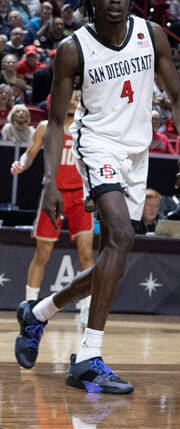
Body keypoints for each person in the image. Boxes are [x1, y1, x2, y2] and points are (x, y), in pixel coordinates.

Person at [14, 0, 180, 393]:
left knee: (111, 259)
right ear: (90, 2)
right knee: (121, 238)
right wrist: (49, 183)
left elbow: (176, 93)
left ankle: (37, 314)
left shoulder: (150, 35)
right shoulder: (72, 49)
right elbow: (57, 122)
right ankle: (88, 357)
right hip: (97, 145)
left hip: (138, 152)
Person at [10, 91, 93, 325]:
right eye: (69, 97)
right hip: (53, 194)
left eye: (77, 98)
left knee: (86, 254)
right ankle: (29, 305)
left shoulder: (86, 128)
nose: (72, 101)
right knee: (42, 253)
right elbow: (30, 154)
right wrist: (21, 164)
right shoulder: (45, 127)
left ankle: (86, 309)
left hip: (79, 195)